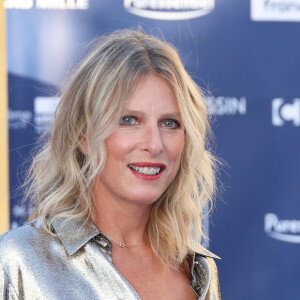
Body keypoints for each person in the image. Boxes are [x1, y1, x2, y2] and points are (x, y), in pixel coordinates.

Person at [0, 29, 221, 300]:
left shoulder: (198, 269)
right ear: (84, 135)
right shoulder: (19, 261)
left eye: (170, 123)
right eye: (128, 120)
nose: (154, 144)